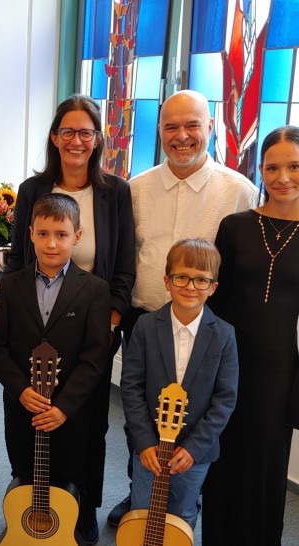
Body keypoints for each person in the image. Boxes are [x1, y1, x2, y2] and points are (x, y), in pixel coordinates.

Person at [0, 94, 135, 543]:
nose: (75, 140)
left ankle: (82, 508)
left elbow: (124, 265)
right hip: (36, 314)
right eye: (66, 131)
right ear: (54, 137)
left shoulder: (115, 192)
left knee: (86, 423)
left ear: (97, 139)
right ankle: (29, 500)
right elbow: (17, 261)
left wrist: (107, 322)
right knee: (30, 417)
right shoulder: (34, 191)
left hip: (92, 321)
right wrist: (2, 301)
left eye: (85, 132)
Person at [107, 89, 258, 526]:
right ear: (160, 131)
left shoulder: (238, 191)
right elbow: (123, 258)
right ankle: (141, 492)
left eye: (192, 124)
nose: (182, 136)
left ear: (210, 127)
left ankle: (186, 502)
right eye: (171, 126)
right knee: (140, 414)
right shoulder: (136, 188)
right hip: (147, 322)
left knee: (197, 420)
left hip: (205, 328)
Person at [0, 193, 111, 543]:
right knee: (25, 467)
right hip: (22, 404)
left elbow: (95, 357)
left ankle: (72, 522)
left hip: (70, 410)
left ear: (77, 237)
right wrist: (20, 390)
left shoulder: (96, 291)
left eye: (61, 234)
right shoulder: (9, 285)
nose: (51, 243)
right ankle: (25, 521)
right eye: (42, 234)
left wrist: (64, 407)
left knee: (70, 469)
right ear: (30, 234)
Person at [201, 125, 299, 545]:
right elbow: (215, 305)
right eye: (273, 167)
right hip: (229, 363)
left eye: (294, 167)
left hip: (280, 372)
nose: (283, 178)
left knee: (265, 467)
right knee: (221, 460)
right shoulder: (235, 226)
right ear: (260, 170)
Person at [120, 238, 238, 530]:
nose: (190, 286)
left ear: (213, 288)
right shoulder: (145, 327)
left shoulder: (224, 335)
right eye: (182, 277)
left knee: (182, 516)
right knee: (141, 514)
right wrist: (145, 442)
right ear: (167, 281)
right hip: (149, 451)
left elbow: (225, 400)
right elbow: (131, 386)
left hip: (194, 455)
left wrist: (195, 448)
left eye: (201, 280)